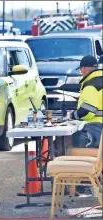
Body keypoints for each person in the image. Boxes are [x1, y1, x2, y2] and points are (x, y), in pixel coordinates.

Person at [69, 55, 102, 194]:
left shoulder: (91, 85)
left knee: (76, 141)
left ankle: (83, 181)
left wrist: (73, 116)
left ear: (83, 69)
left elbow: (88, 109)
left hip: (96, 126)